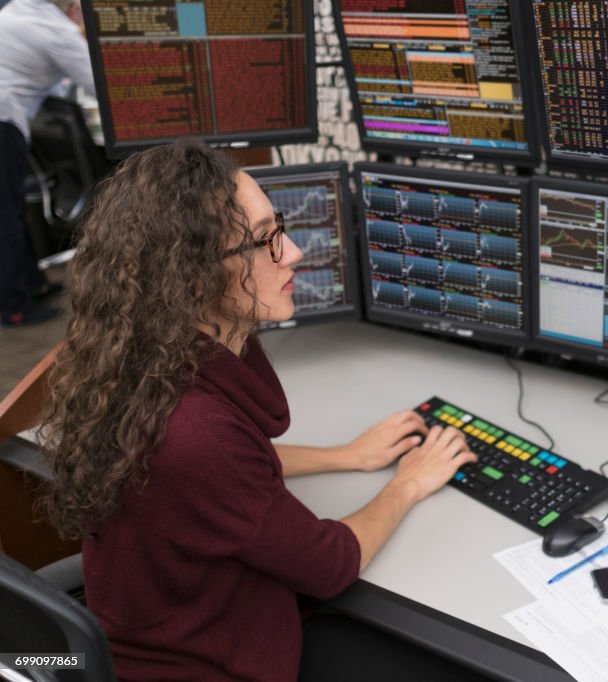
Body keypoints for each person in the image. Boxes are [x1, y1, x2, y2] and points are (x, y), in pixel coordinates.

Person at [39, 139, 483, 681]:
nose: (293, 252)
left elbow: (224, 473)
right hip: (205, 665)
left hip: (149, 628)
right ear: (193, 275)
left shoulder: (143, 355)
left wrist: (345, 455)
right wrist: (407, 483)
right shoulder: (198, 436)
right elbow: (328, 565)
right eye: (264, 241)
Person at [0, 0, 94, 327]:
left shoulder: (15, 11)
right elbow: (97, 84)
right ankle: (14, 306)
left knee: (10, 210)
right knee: (6, 217)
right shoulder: (53, 28)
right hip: (3, 121)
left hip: (9, 119)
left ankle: (31, 284)